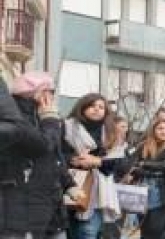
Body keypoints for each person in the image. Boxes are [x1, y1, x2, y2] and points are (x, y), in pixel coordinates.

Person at [0, 72, 75, 239]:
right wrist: (50, 120)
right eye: (51, 91)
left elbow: (56, 157)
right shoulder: (18, 118)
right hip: (25, 210)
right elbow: (43, 146)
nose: (53, 97)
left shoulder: (47, 117)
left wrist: (69, 183)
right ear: (39, 93)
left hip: (51, 206)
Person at [62, 93, 126, 238]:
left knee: (88, 231)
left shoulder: (112, 132)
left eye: (101, 107)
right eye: (92, 105)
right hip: (69, 184)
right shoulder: (66, 127)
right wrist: (73, 159)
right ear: (82, 107)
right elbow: (56, 153)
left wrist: (96, 161)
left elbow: (121, 164)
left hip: (98, 190)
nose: (97, 109)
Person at [124, 119, 165, 238]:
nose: (163, 131)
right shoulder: (143, 145)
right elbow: (132, 165)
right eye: (160, 128)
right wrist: (144, 168)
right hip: (142, 191)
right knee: (145, 228)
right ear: (153, 130)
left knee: (158, 229)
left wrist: (144, 164)